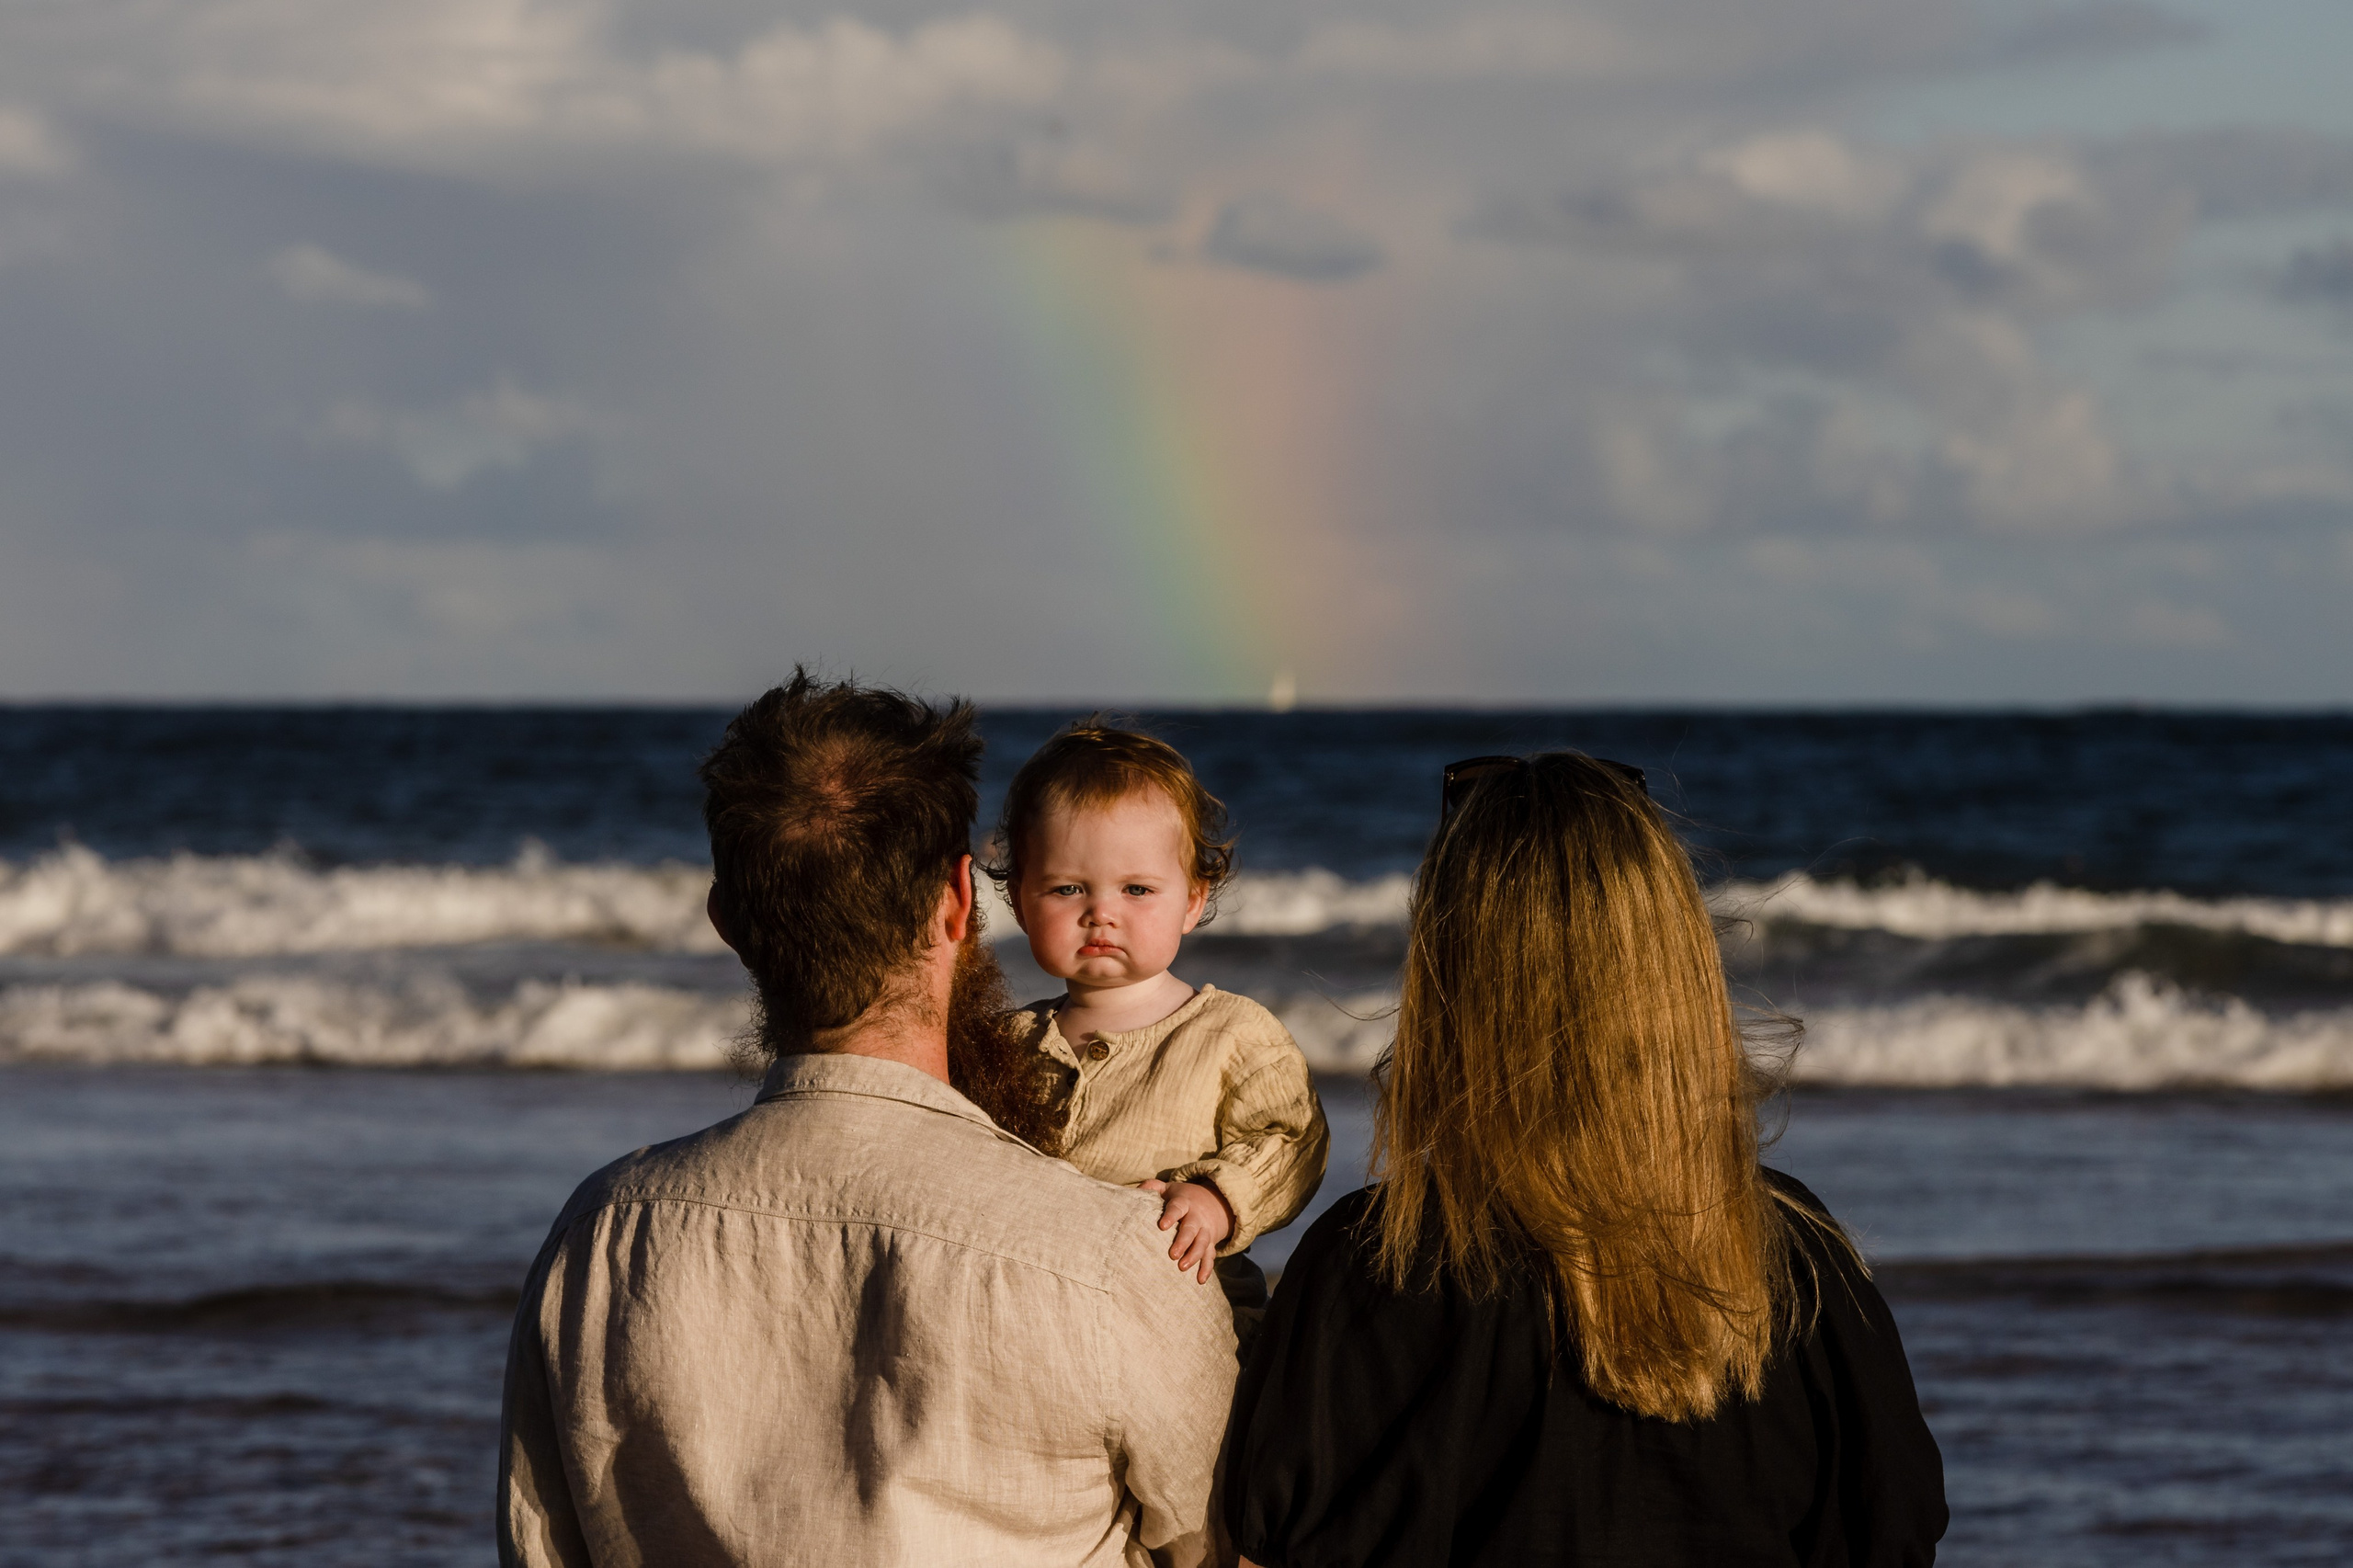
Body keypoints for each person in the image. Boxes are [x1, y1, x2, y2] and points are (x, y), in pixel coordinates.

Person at [498, 674, 1239, 1568]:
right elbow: (1220, 1541)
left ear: (727, 920)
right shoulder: (1114, 1258)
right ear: (960, 902)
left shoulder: (601, 1238)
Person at [1222, 753, 1948, 1567]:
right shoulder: (1800, 1258)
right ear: (1677, 969)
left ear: (1448, 977)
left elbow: (1272, 1541)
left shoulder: (1369, 1264)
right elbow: (1896, 1528)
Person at [990, 722, 1329, 1351]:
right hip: (1035, 1328)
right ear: (1018, 901)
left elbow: (1294, 1137)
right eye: (1067, 889)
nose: (1101, 911)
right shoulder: (1004, 1044)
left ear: (1193, 901)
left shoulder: (1230, 1035)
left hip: (1186, 1329)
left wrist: (1217, 1199)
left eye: (1138, 890)